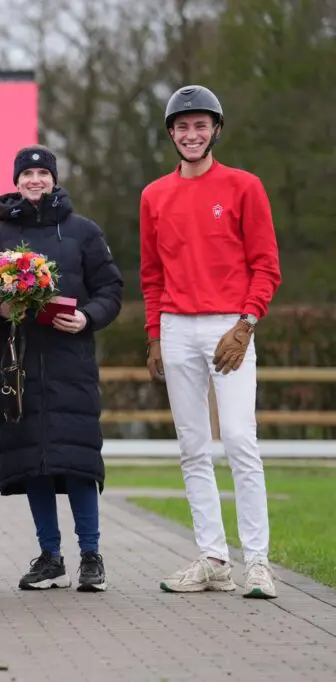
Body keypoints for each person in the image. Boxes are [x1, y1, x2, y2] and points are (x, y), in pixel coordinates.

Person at [140, 85, 281, 599]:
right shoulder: (154, 195)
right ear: (171, 134)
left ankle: (259, 562)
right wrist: (154, 335)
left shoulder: (245, 186)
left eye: (200, 125)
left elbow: (266, 265)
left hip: (230, 325)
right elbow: (151, 274)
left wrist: (246, 325)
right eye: (182, 126)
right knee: (192, 447)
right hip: (177, 327)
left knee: (241, 442)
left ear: (215, 129)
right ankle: (213, 558)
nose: (191, 134)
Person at [0, 144, 123, 593]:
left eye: (43, 173)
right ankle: (50, 557)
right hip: (18, 367)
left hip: (71, 364)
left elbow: (111, 290)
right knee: (34, 463)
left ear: (54, 179)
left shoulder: (84, 232)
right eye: (27, 174)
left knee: (78, 462)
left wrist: (87, 317)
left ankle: (91, 557)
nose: (35, 181)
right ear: (16, 181)